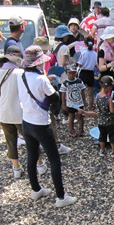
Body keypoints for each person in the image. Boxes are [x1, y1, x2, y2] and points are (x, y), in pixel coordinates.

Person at [17, 45, 77, 208]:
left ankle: (36, 189)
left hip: (26, 121)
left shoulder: (21, 76)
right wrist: (56, 112)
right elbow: (54, 97)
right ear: (38, 63)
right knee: (54, 160)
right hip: (41, 124)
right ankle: (61, 196)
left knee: (32, 156)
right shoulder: (41, 79)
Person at [0, 45, 46, 178]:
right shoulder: (20, 73)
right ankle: (39, 165)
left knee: (10, 142)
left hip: (4, 112)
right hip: (20, 113)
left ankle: (16, 169)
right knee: (31, 141)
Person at [32, 36, 72, 155]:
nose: (45, 52)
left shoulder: (34, 63)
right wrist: (48, 79)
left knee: (44, 120)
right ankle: (55, 145)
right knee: (49, 120)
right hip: (42, 96)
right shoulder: (35, 64)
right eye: (44, 50)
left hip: (37, 96)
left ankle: (44, 144)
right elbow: (39, 79)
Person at [80, 75, 114, 157]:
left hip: (101, 121)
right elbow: (112, 111)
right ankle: (113, 151)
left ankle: (102, 150)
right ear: (108, 87)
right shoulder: (108, 98)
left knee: (102, 136)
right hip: (110, 121)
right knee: (112, 136)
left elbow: (97, 109)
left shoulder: (97, 96)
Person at [59, 64, 86, 137]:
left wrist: (84, 101)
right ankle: (71, 130)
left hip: (79, 102)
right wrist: (64, 104)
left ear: (75, 73)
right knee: (71, 117)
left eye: (73, 73)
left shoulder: (79, 81)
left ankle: (81, 129)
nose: (71, 75)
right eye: (69, 73)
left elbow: (82, 91)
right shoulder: (65, 84)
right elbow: (63, 95)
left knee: (80, 116)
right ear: (66, 73)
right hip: (70, 104)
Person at [77, 36, 98, 109]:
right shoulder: (95, 54)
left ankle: (84, 102)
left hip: (83, 72)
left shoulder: (84, 53)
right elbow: (96, 64)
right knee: (90, 91)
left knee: (81, 89)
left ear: (85, 44)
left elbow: (80, 64)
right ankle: (91, 106)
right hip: (91, 73)